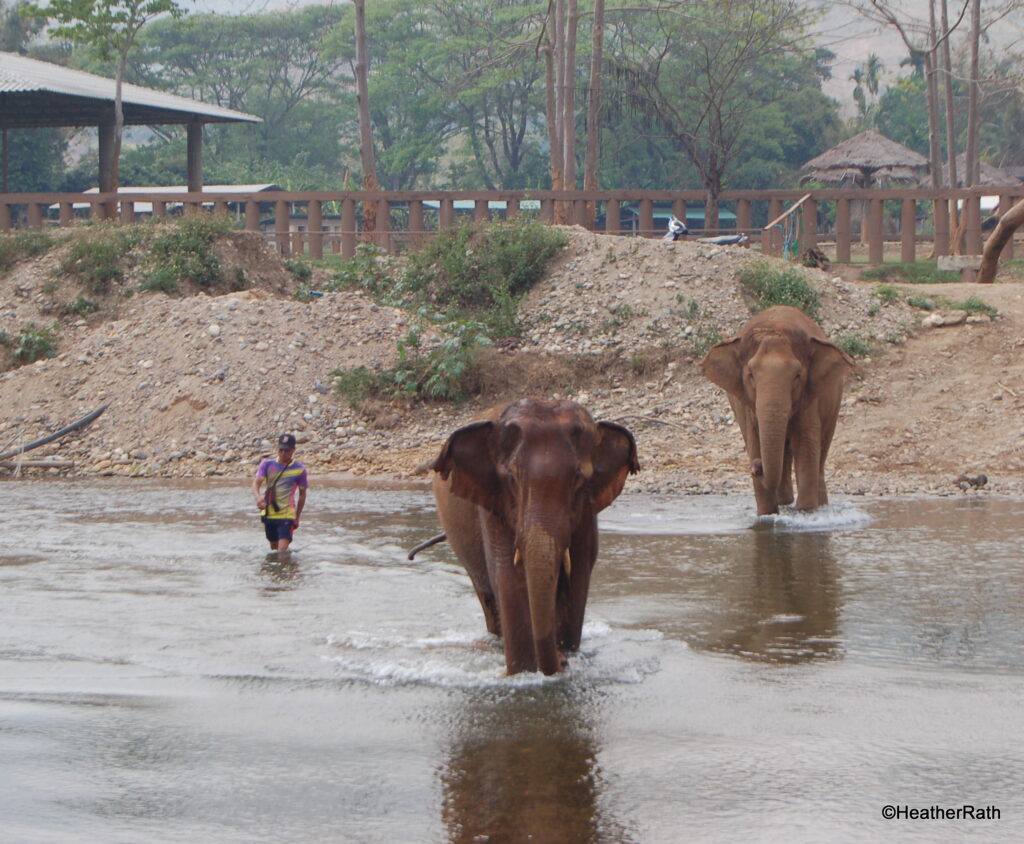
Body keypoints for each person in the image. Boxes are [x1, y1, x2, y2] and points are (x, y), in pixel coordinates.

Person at [252, 433, 308, 553]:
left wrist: (297, 517)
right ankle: (277, 571)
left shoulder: (300, 470)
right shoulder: (267, 464)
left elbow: (302, 494)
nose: (283, 453)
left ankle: (287, 570)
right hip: (269, 513)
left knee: (282, 551)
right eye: (281, 450)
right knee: (273, 549)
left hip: (287, 514)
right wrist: (258, 498)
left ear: (293, 450)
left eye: (287, 450)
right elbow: (256, 483)